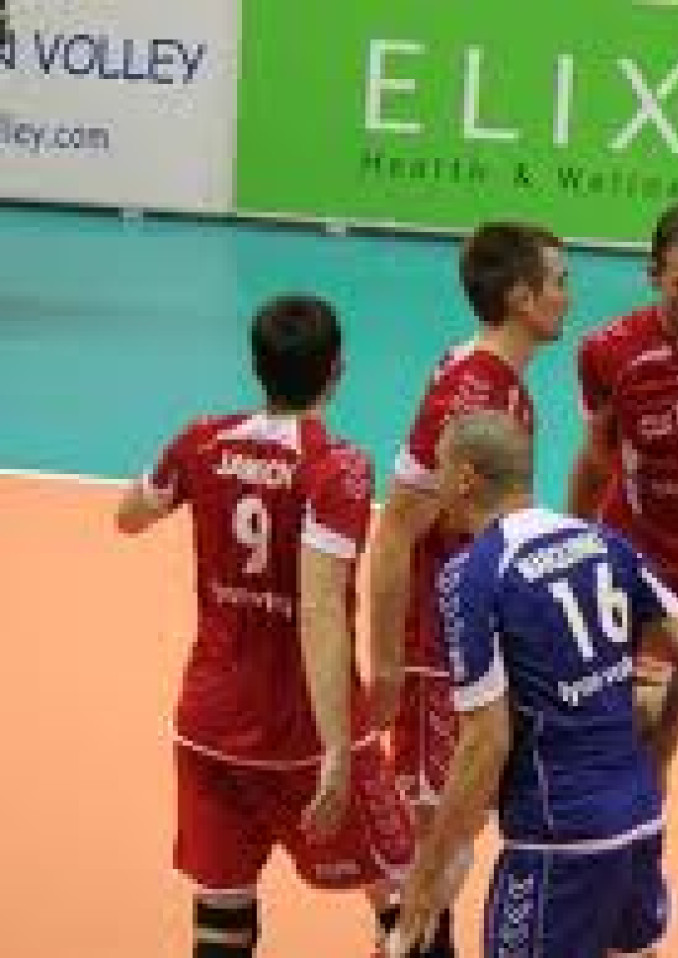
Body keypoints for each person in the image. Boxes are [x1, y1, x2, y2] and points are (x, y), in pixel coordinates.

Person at [115, 295, 417, 958]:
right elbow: (318, 607)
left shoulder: (202, 440)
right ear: (337, 371)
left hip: (209, 725)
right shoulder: (336, 467)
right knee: (410, 896)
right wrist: (337, 748)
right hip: (302, 731)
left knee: (222, 913)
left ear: (256, 368)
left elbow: (129, 515)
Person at [390, 411, 678, 958]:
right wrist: (658, 756)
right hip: (638, 818)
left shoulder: (472, 575)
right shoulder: (605, 542)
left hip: (557, 838)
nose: (436, 487)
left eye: (440, 471)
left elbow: (484, 742)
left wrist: (426, 878)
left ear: (465, 477)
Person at [367, 222, 568, 955]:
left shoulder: (497, 380)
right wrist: (389, 665)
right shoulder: (471, 390)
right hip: (436, 647)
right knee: (434, 830)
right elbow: (396, 530)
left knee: (454, 825)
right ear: (520, 297)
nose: (568, 296)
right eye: (558, 282)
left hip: (470, 637)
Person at [569, 201, 678, 727]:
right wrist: (575, 546)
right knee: (632, 728)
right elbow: (598, 458)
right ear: (653, 276)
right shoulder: (608, 352)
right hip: (646, 569)